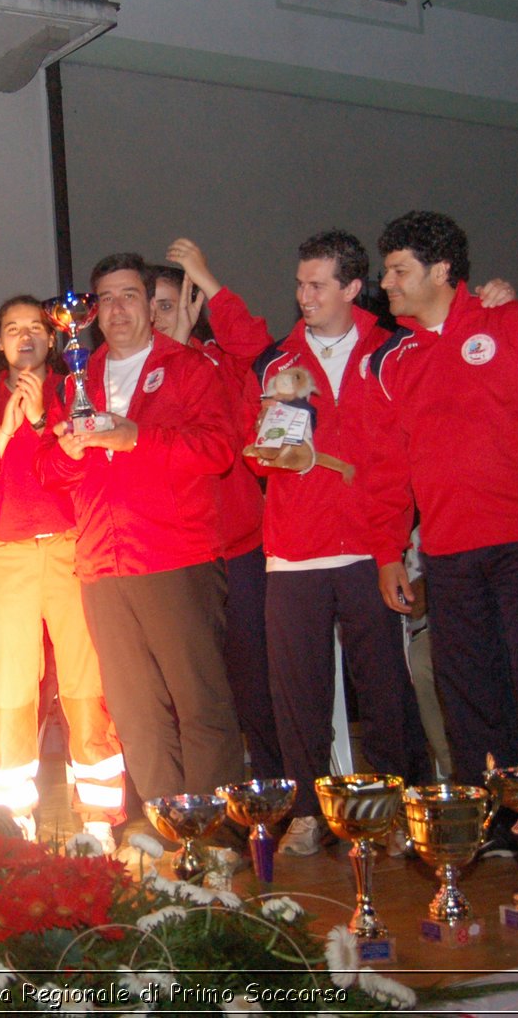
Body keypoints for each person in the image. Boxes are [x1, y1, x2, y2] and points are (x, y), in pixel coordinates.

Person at [173, 233, 432, 857]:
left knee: (385, 688)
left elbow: (401, 457)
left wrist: (391, 546)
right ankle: (312, 811)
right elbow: (242, 340)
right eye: (298, 284)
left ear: (352, 287)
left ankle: (396, 805)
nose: (304, 296)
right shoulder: (276, 361)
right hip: (292, 553)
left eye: (317, 285)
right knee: (296, 694)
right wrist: (206, 281)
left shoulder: (391, 351)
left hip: (372, 549)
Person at [366, 211, 518, 788]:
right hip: (449, 557)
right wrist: (387, 551)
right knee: (468, 694)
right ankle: (495, 816)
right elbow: (388, 470)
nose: (387, 283)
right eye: (386, 272)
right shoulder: (395, 362)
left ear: (442, 269)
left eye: (399, 270)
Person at [38, 253, 247, 816]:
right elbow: (52, 477)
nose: (117, 309)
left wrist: (137, 437)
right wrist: (67, 453)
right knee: (133, 710)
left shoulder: (189, 368)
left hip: (176, 557)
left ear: (153, 305)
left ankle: (210, 832)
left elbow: (219, 450)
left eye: (129, 295)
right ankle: (162, 821)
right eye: (104, 299)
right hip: (102, 565)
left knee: (199, 701)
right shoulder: (78, 377)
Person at [0, 296, 125, 847]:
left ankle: (99, 817)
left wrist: (42, 419)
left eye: (35, 327)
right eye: (12, 328)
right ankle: (13, 817)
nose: (24, 337)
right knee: (9, 683)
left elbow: (79, 472)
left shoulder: (74, 391)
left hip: (69, 545)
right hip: (4, 552)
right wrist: (4, 428)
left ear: (54, 335)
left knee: (87, 680)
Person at [152, 255, 282, 784]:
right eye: (150, 304)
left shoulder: (218, 362)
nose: (159, 317)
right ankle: (200, 802)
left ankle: (275, 794)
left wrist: (209, 282)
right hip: (174, 556)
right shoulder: (128, 377)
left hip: (238, 547)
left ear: (190, 306)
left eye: (168, 304)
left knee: (254, 682)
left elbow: (261, 350)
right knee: (189, 689)